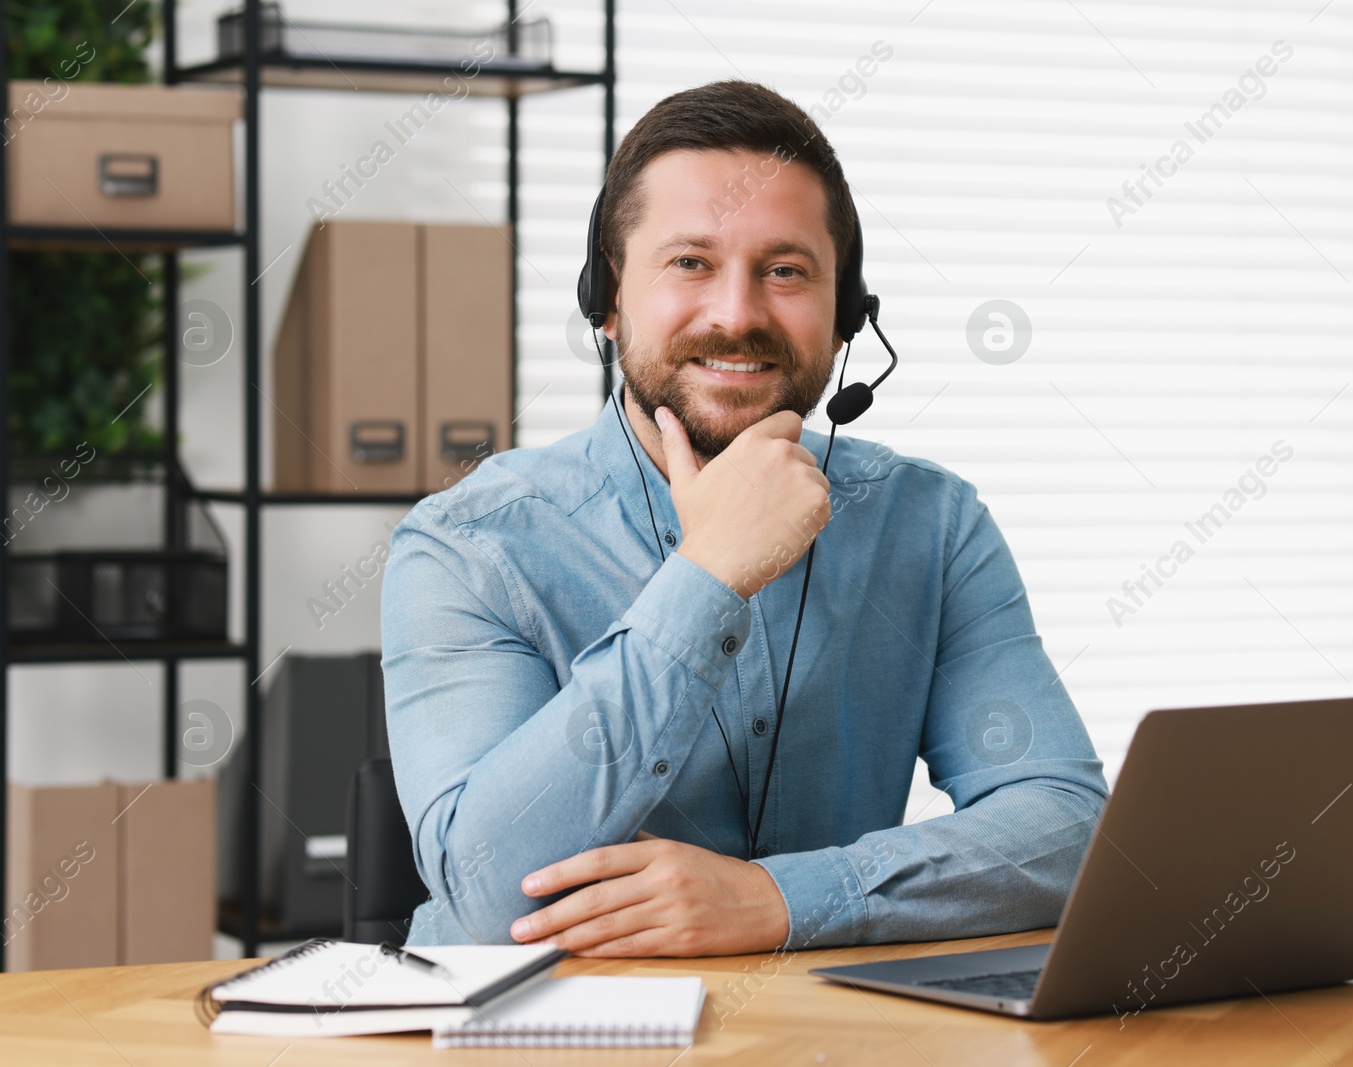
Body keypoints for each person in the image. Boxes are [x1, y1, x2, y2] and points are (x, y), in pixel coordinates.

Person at [381, 79, 1108, 957]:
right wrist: (710, 572)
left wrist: (779, 898)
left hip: (825, 1036)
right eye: (690, 262)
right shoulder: (469, 545)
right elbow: (489, 891)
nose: (737, 314)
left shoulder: (932, 524)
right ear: (608, 300)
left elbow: (1066, 832)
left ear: (846, 318)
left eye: (786, 271)